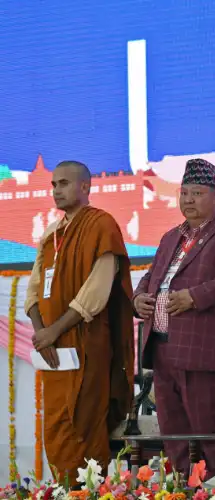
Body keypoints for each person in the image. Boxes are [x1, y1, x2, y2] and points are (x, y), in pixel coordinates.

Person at [133, 158, 215, 478]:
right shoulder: (170, 237)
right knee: (174, 435)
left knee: (210, 432)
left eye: (197, 193)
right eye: (184, 193)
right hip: (162, 349)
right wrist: (139, 298)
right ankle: (184, 488)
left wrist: (193, 297)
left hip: (202, 351)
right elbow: (151, 277)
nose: (188, 199)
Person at [25, 160, 135, 484]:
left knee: (84, 425)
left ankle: (86, 490)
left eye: (63, 183)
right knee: (56, 427)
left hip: (87, 347)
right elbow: (33, 291)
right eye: (53, 185)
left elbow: (96, 293)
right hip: (54, 353)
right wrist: (41, 333)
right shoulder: (51, 233)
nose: (56, 190)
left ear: (85, 187)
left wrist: (54, 331)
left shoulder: (102, 225)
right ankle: (63, 489)